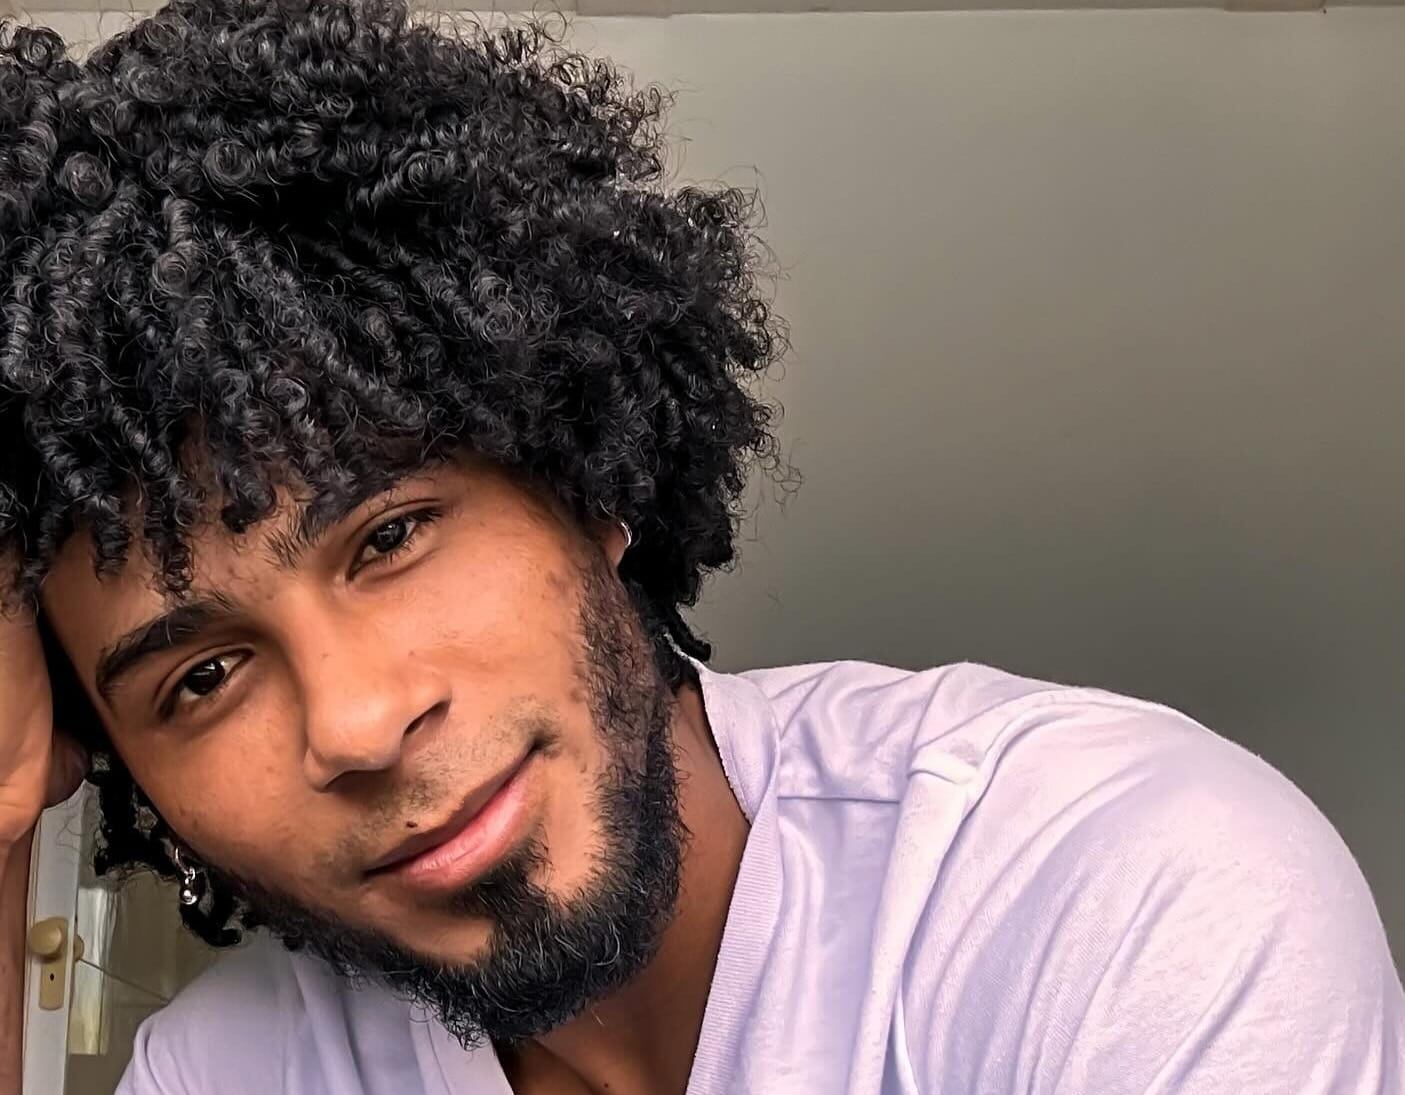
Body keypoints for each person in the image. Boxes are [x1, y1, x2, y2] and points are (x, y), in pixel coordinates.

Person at [1, 1, 1401, 1092]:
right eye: (200, 679)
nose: (359, 721)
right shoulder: (232, 1068)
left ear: (587, 484)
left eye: (394, 534)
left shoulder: (1116, 894)